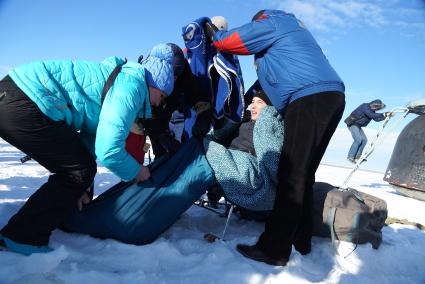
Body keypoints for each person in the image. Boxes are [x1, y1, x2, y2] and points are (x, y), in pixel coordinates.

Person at [0, 43, 183, 255]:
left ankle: (24, 231)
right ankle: (23, 237)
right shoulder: (132, 87)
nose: (158, 104)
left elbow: (88, 145)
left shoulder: (120, 80)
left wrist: (83, 188)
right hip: (25, 100)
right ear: (156, 86)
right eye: (161, 97)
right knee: (77, 171)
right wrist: (137, 171)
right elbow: (109, 151)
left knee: (79, 170)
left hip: (15, 96)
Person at [206, 9, 346, 266]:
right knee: (303, 174)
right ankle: (300, 240)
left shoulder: (274, 23)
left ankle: (274, 248)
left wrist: (214, 33)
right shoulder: (298, 33)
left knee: (290, 174)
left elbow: (231, 41)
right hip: (330, 98)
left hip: (309, 98)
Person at [63, 89, 284, 245]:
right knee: (176, 163)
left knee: (186, 165)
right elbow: (221, 137)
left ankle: (126, 220)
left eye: (259, 103)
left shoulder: (269, 120)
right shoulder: (246, 123)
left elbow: (271, 161)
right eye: (252, 102)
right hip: (227, 163)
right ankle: (113, 210)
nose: (253, 106)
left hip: (247, 171)